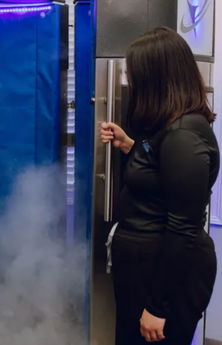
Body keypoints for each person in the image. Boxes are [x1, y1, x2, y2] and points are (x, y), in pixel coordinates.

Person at [100, 27, 220, 345]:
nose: (133, 83)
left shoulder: (185, 135)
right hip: (145, 269)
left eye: (137, 75)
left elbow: (183, 228)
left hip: (161, 281)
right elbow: (159, 176)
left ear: (157, 79)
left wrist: (157, 306)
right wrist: (129, 145)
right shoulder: (168, 127)